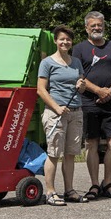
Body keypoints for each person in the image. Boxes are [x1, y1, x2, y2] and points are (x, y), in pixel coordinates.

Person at [72, 11, 111, 199]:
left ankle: (108, 182)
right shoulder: (79, 48)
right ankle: (94, 185)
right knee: (91, 142)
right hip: (88, 102)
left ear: (104, 26)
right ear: (86, 28)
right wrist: (98, 91)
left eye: (100, 25)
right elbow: (79, 76)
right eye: (93, 25)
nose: (97, 28)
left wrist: (109, 91)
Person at [37, 25, 87, 205]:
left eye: (68, 39)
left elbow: (81, 85)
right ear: (56, 41)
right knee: (53, 153)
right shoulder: (47, 63)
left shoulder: (76, 62)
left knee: (70, 154)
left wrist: (81, 86)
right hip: (55, 113)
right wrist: (57, 107)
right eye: (62, 39)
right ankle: (50, 192)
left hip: (76, 111)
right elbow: (41, 90)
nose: (65, 42)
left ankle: (69, 190)